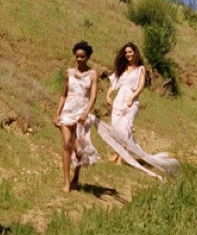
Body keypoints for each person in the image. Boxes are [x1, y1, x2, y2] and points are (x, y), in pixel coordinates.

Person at [95, 41, 179, 180]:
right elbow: (114, 84)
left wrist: (132, 98)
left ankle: (121, 158)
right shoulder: (122, 68)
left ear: (135, 53)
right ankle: (118, 154)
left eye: (130, 52)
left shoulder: (140, 69)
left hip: (131, 101)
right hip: (119, 100)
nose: (128, 54)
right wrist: (108, 95)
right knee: (116, 128)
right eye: (126, 52)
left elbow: (140, 87)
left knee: (126, 129)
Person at [54, 40, 99, 192]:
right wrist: (57, 114)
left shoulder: (92, 74)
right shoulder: (68, 73)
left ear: (87, 57)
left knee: (78, 148)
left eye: (82, 57)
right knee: (67, 143)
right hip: (67, 111)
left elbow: (93, 96)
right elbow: (63, 94)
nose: (79, 59)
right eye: (77, 56)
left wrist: (86, 112)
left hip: (81, 113)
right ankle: (66, 181)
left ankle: (76, 176)